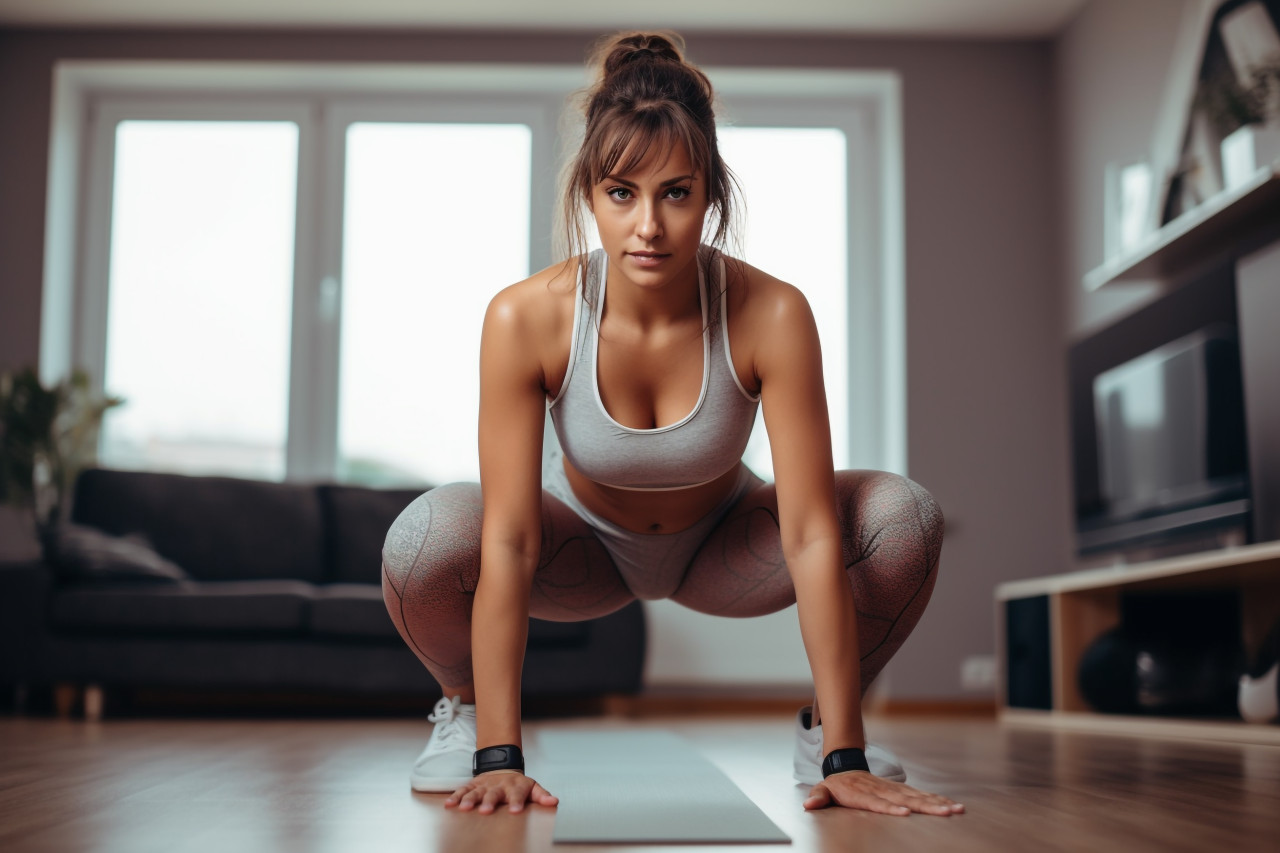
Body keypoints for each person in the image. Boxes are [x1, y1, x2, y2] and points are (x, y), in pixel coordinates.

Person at [381, 30, 962, 818]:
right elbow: (512, 540)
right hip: (581, 549)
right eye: (622, 193)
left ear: (712, 194)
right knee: (424, 535)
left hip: (723, 550)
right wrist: (501, 753)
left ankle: (825, 726)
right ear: (589, 192)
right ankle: (464, 712)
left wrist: (847, 753)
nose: (647, 225)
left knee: (904, 516)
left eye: (676, 193)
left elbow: (814, 534)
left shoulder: (775, 312)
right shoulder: (526, 317)